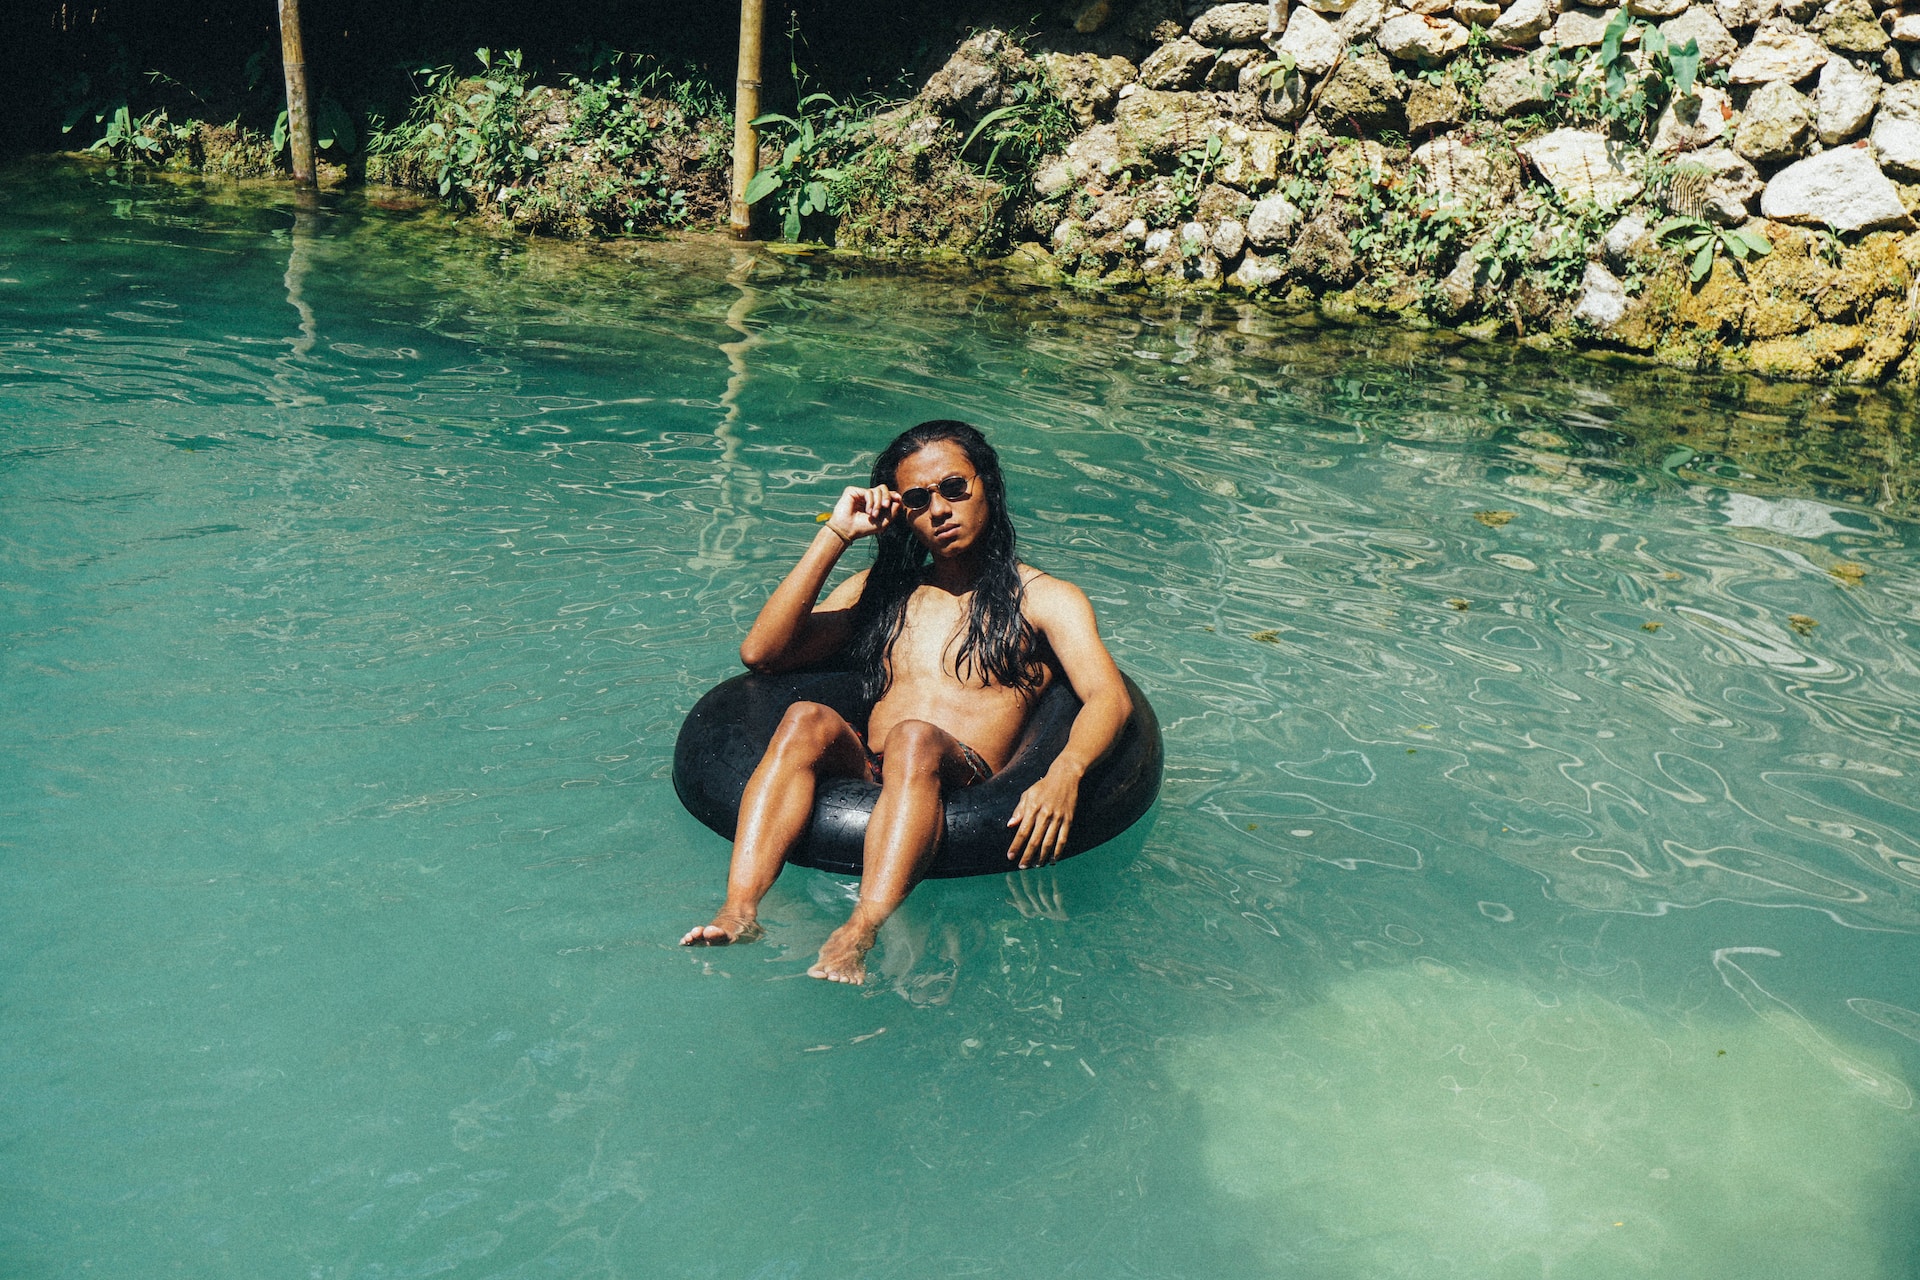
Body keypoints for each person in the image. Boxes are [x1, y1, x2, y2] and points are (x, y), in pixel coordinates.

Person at [680, 420, 1133, 984]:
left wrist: (1065, 771)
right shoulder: (887, 593)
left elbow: (1107, 698)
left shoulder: (1043, 599)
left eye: (953, 488)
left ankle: (861, 928)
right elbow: (762, 653)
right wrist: (837, 535)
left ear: (987, 486)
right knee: (804, 718)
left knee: (913, 737)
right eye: (917, 500)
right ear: (901, 513)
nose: (939, 509)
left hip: (963, 774)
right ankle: (740, 910)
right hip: (873, 767)